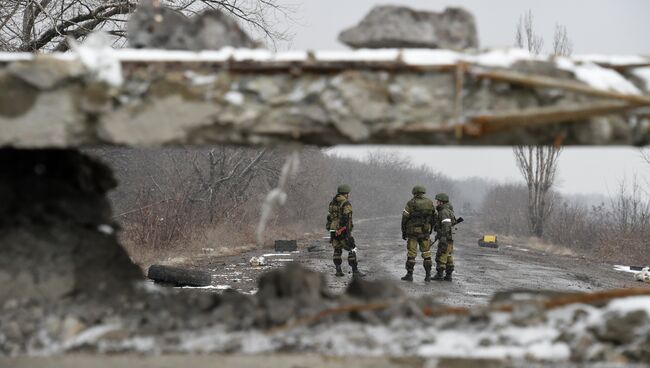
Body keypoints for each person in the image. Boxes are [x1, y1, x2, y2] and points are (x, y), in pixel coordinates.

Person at [400, 185, 436, 282]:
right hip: (425, 232)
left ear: (414, 192)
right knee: (426, 253)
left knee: (412, 253)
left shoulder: (411, 203)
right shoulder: (430, 202)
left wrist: (403, 231)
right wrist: (430, 228)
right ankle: (428, 276)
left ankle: (409, 275)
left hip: (413, 233)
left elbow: (405, 218)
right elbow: (434, 216)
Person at [326, 184, 359, 277]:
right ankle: (355, 271)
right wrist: (344, 229)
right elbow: (346, 218)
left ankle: (338, 270)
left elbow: (329, 217)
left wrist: (331, 229)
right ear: (346, 194)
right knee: (352, 248)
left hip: (333, 229)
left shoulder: (332, 203)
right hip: (342, 229)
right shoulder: (346, 203)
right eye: (348, 193)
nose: (349, 195)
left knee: (337, 249)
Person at [433, 193, 455, 281]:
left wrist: (443, 237)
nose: (436, 203)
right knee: (448, 256)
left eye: (437, 201)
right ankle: (448, 276)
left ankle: (439, 275)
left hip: (445, 237)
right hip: (448, 237)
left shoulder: (444, 211)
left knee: (441, 255)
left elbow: (446, 225)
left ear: (441, 202)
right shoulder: (447, 210)